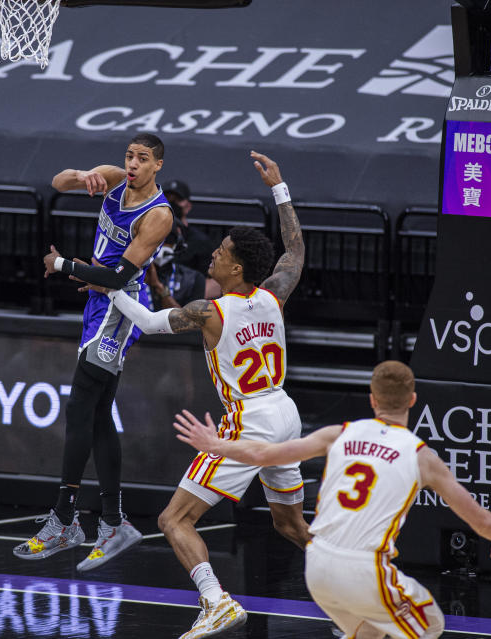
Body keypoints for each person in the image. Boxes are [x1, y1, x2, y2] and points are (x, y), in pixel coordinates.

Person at [98, 151, 310, 639]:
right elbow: (294, 251)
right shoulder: (274, 292)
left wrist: (108, 288)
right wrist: (280, 188)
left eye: (222, 251)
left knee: (174, 519)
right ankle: (358, 586)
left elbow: (150, 324)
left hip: (249, 421)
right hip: (285, 412)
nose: (213, 254)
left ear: (235, 270)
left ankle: (216, 601)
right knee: (291, 527)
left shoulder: (210, 309)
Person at [173, 361, 491, 639]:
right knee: (430, 624)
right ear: (413, 400)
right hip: (365, 570)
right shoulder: (421, 456)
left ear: (372, 400)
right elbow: (477, 516)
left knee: (368, 630)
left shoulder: (338, 433)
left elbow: (265, 453)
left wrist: (218, 445)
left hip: (319, 568)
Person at [13, 133, 173, 571]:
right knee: (98, 414)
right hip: (97, 302)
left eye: (143, 159)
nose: (134, 164)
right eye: (130, 156)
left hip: (120, 309)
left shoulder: (157, 215)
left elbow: (120, 278)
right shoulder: (116, 179)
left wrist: (62, 265)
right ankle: (114, 521)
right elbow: (58, 181)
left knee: (80, 406)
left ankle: (65, 519)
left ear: (158, 165)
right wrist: (84, 175)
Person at [145, 201, 206, 310]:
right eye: (157, 238)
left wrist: (158, 286)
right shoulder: (129, 275)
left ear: (178, 244)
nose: (161, 244)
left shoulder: (194, 279)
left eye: (168, 239)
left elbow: (187, 323)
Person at [163, 179, 217, 278]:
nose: (172, 204)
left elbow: (211, 282)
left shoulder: (201, 242)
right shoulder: (146, 237)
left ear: (188, 206)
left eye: (178, 200)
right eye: (167, 199)